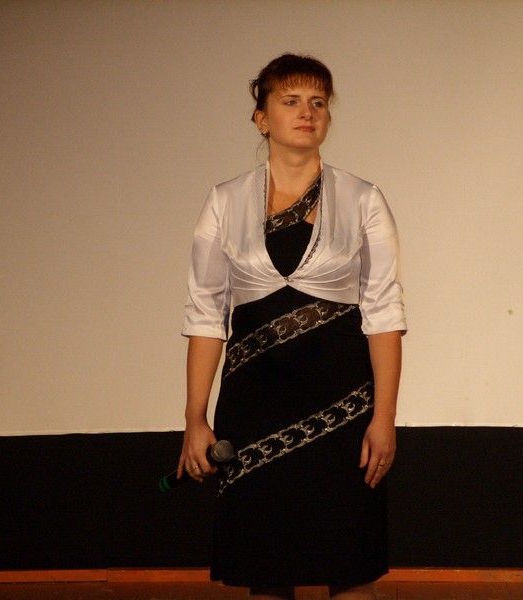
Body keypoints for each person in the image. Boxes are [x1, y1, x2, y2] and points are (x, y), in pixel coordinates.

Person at [178, 53, 406, 600]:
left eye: (318, 102)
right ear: (262, 118)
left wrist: (384, 418)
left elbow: (384, 314)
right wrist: (194, 417)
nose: (308, 112)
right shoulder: (225, 202)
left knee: (349, 564)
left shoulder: (363, 199)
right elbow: (206, 314)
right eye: (291, 101)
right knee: (267, 567)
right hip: (254, 408)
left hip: (342, 409)